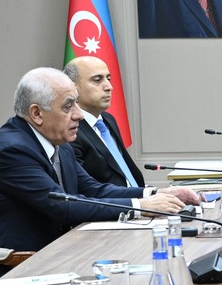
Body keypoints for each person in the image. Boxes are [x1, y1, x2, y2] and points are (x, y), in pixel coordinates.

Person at [0, 67, 187, 285]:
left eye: (76, 103)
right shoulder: (10, 151)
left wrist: (154, 194)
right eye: (68, 106)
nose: (79, 114)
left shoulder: (59, 144)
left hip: (45, 261)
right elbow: (63, 205)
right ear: (36, 114)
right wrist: (141, 207)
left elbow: (93, 190)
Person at [66, 55, 199, 208]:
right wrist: (143, 204)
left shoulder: (107, 120)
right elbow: (87, 191)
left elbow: (125, 178)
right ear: (73, 89)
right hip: (114, 211)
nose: (109, 86)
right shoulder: (70, 131)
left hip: (140, 203)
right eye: (97, 80)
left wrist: (156, 194)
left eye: (108, 79)